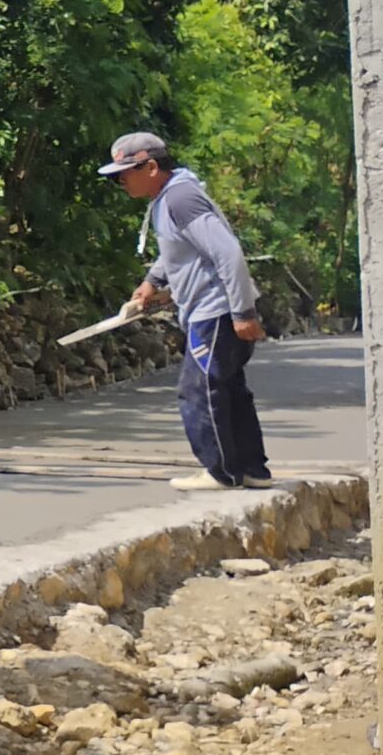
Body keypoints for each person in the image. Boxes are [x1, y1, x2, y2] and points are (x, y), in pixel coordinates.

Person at [100, 132, 274, 491]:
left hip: (214, 311)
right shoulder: (171, 197)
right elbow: (179, 249)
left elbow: (227, 253)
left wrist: (242, 312)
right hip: (212, 310)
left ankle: (220, 472)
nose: (120, 182)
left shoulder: (180, 199)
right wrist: (152, 281)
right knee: (228, 389)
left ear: (150, 167)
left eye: (124, 174)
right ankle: (251, 470)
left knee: (198, 389)